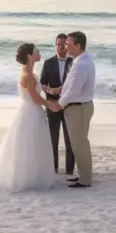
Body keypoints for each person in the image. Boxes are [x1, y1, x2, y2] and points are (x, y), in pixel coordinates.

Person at [0, 43, 59, 193]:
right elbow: (35, 98)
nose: (39, 53)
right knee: (29, 144)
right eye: (36, 51)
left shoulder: (30, 72)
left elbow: (38, 89)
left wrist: (50, 90)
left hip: (32, 111)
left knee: (34, 144)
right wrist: (51, 105)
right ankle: (27, 177)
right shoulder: (28, 76)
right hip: (31, 112)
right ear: (29, 55)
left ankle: (35, 175)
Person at [58, 31, 96, 187]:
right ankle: (83, 175)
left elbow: (73, 91)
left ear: (78, 46)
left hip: (78, 108)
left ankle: (85, 179)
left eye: (68, 44)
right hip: (80, 107)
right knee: (78, 143)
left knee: (80, 144)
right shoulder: (83, 60)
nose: (65, 47)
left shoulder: (81, 65)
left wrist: (59, 104)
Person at [40, 33, 74, 175]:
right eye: (58, 44)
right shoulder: (48, 63)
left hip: (69, 106)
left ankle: (70, 170)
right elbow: (42, 83)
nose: (60, 47)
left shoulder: (73, 63)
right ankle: (53, 168)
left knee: (69, 140)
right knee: (52, 139)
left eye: (63, 44)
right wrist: (50, 90)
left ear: (67, 46)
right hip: (52, 105)